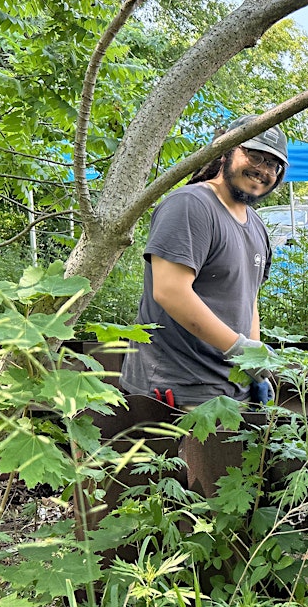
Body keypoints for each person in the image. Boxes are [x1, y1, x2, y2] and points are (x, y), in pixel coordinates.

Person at [120, 115, 287, 408]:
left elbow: (248, 299)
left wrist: (253, 363)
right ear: (225, 152)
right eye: (254, 155)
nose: (263, 170)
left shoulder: (257, 225)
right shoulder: (190, 205)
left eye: (273, 164)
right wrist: (239, 348)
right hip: (178, 391)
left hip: (230, 387)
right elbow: (170, 291)